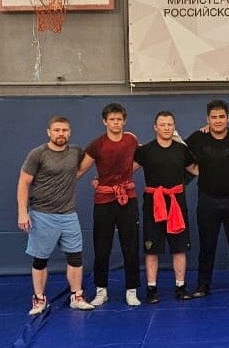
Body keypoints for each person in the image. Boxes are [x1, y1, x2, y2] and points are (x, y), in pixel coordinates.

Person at [15, 116, 95, 315]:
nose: (61, 134)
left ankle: (76, 296)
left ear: (70, 132)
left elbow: (97, 155)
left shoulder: (76, 152)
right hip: (41, 214)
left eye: (65, 130)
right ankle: (39, 299)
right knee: (40, 259)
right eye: (57, 130)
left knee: (75, 257)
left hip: (68, 214)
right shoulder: (38, 154)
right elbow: (24, 182)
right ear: (49, 132)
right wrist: (22, 213)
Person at [183, 99, 229, 297]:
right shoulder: (198, 138)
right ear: (207, 119)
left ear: (228, 118)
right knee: (207, 246)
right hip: (208, 200)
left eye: (221, 117)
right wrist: (198, 171)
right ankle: (203, 285)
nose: (218, 121)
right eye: (214, 117)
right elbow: (179, 154)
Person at [134, 111, 197, 303]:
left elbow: (195, 169)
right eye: (162, 124)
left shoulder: (182, 150)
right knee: (152, 249)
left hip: (177, 203)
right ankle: (152, 289)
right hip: (154, 204)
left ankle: (181, 286)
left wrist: (218, 169)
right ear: (155, 127)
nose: (166, 128)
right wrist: (103, 180)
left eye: (170, 124)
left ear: (174, 126)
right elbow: (126, 170)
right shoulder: (145, 151)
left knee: (179, 248)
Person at [83, 103, 142, 307]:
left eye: (119, 119)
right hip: (104, 200)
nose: (116, 123)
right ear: (105, 122)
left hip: (128, 198)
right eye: (112, 119)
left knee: (131, 246)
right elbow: (79, 170)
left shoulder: (131, 140)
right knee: (102, 247)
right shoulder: (97, 144)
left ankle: (132, 290)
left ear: (124, 121)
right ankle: (101, 290)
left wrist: (126, 175)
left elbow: (145, 157)